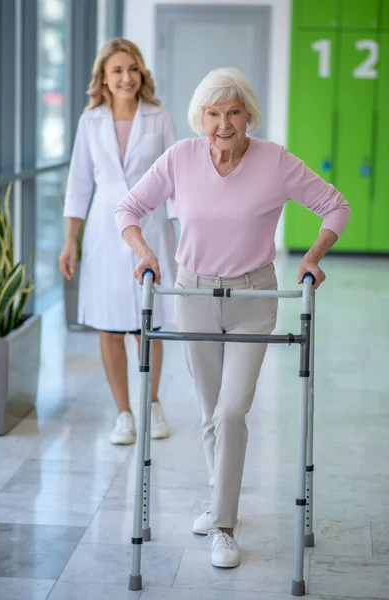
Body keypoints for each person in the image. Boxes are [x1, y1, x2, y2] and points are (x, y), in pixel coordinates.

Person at [114, 67, 351, 568]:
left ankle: (224, 524)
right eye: (214, 113)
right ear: (201, 118)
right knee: (207, 414)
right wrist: (144, 253)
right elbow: (128, 208)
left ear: (250, 116)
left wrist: (312, 258)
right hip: (192, 291)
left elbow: (335, 206)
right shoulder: (180, 157)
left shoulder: (275, 162)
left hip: (252, 297)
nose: (224, 124)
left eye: (234, 112)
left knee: (231, 412)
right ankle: (217, 501)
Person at [59, 38, 177, 445]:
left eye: (132, 69)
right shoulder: (89, 121)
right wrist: (69, 242)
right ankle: (124, 414)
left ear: (141, 72)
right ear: (104, 80)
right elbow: (77, 185)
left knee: (150, 324)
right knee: (110, 328)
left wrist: (185, 235)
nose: (127, 77)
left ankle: (153, 404)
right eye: (117, 71)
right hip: (105, 234)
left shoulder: (160, 117)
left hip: (152, 227)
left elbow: (176, 182)